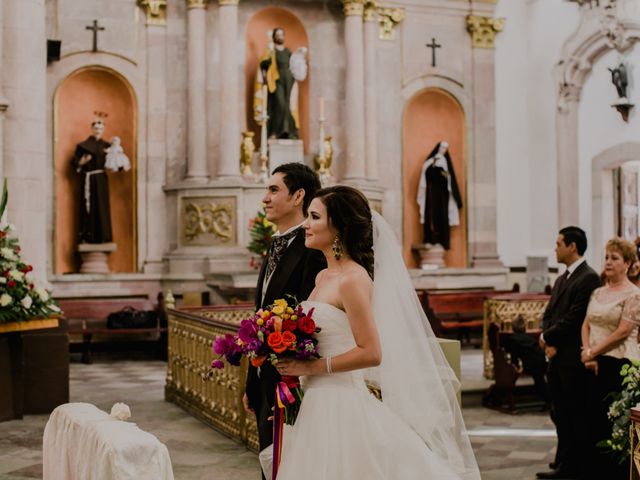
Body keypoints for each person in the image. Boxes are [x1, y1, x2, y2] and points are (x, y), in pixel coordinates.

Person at [274, 185, 480, 480]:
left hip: (340, 403)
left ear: (339, 227)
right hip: (313, 400)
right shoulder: (323, 276)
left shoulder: (353, 279)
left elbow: (371, 352)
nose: (306, 224)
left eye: (314, 217)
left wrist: (312, 366)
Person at [243, 162, 325, 480]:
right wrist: (253, 382)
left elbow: (314, 321)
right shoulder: (274, 245)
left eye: (273, 189)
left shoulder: (312, 250)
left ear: (298, 196)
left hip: (295, 386)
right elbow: (263, 316)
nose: (265, 197)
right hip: (267, 382)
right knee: (272, 467)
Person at [537, 226, 601, 480]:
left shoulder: (588, 278)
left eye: (558, 243)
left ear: (572, 246)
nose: (555, 248)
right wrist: (546, 338)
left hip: (572, 357)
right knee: (560, 412)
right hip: (556, 355)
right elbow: (549, 313)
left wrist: (547, 337)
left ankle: (574, 466)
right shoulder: (562, 278)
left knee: (575, 413)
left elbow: (575, 318)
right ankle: (564, 460)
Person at [580, 238, 640, 479]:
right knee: (590, 420)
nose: (608, 262)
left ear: (627, 263)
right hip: (593, 361)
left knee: (612, 423)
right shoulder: (598, 291)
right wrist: (587, 352)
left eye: (615, 258)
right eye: (606, 257)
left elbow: (623, 332)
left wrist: (593, 352)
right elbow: (586, 323)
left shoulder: (634, 294)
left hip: (619, 363)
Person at [255, 28, 307, 139]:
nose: (280, 37)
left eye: (281, 35)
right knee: (280, 104)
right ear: (274, 37)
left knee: (287, 105)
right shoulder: (271, 51)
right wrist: (268, 58)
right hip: (276, 80)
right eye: (277, 35)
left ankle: (288, 131)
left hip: (288, 80)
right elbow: (263, 65)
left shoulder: (288, 52)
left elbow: (294, 64)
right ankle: (276, 131)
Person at [72, 117, 113, 244]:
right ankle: (88, 236)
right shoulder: (83, 146)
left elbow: (114, 161)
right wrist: (82, 162)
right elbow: (74, 164)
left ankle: (103, 236)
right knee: (88, 207)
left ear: (104, 130)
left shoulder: (107, 146)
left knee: (102, 206)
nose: (98, 131)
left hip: (101, 180)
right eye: (95, 128)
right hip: (88, 179)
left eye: (100, 128)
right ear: (91, 129)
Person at [416, 141, 463, 250]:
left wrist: (442, 174)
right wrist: (433, 170)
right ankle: (430, 238)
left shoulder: (445, 163)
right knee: (430, 215)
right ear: (438, 148)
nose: (443, 150)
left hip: (442, 196)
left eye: (445, 149)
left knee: (441, 216)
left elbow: (449, 180)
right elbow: (425, 175)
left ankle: (442, 240)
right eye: (442, 148)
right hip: (431, 195)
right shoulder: (430, 161)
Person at [503, 315, 549, 403]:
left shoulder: (513, 340)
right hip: (542, 360)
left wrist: (515, 368)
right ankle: (548, 400)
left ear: (513, 328)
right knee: (540, 381)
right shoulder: (529, 338)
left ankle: (550, 400)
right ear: (525, 328)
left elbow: (514, 356)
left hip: (533, 364)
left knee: (540, 382)